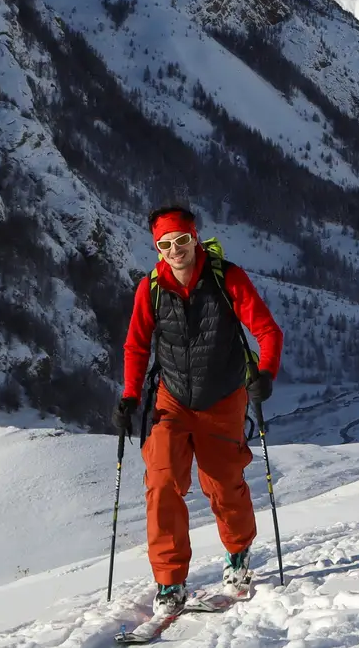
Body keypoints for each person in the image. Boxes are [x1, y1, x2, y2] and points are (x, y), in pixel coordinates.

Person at [115, 205, 282, 618]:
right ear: (157, 248)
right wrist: (130, 396)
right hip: (171, 398)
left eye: (182, 240)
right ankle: (169, 581)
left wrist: (265, 373)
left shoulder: (227, 278)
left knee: (223, 484)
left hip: (223, 396)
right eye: (165, 244)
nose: (175, 250)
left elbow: (267, 331)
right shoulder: (151, 288)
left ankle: (238, 554)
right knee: (162, 480)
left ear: (195, 239)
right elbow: (136, 345)